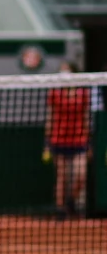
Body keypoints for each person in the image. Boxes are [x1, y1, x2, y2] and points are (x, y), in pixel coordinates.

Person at [45, 61, 92, 219]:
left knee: (80, 175)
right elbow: (50, 117)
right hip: (58, 138)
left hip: (79, 139)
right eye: (61, 70)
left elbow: (86, 116)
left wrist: (89, 142)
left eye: (67, 70)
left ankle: (70, 202)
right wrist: (47, 143)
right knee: (62, 176)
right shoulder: (54, 93)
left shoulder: (83, 93)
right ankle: (60, 210)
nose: (64, 73)